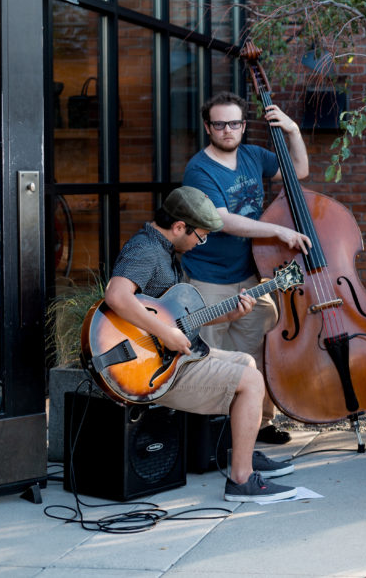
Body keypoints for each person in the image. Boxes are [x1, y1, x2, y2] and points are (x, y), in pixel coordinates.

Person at [103, 186, 297, 502]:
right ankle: (241, 480)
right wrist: (165, 335)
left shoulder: (164, 250)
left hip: (173, 356)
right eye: (200, 236)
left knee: (245, 363)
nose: (200, 243)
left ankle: (239, 455)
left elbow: (178, 321)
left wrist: (227, 314)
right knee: (251, 380)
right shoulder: (145, 251)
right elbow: (116, 296)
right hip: (152, 368)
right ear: (179, 227)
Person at [182, 92, 312, 445]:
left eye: (235, 123)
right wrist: (277, 230)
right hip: (209, 277)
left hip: (252, 276)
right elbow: (221, 220)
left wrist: (294, 131)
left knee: (257, 348)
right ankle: (211, 435)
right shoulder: (199, 169)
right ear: (208, 127)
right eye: (220, 124)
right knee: (211, 356)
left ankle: (260, 424)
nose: (228, 130)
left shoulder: (254, 156)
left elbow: (298, 171)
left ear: (243, 125)